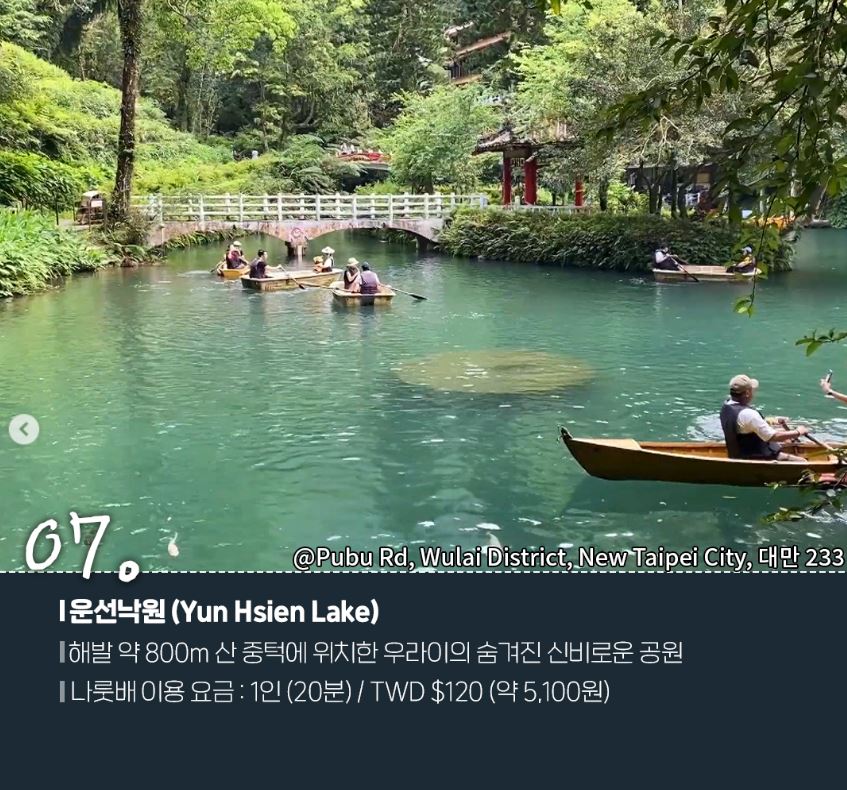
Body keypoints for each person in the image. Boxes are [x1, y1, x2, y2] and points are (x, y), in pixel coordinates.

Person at [720, 375, 808, 461]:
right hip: (757, 458)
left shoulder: (727, 407)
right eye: (753, 390)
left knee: (783, 435)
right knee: (802, 462)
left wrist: (772, 420)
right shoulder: (748, 414)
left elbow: (745, 424)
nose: (754, 393)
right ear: (747, 393)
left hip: (736, 454)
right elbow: (773, 437)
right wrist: (798, 432)